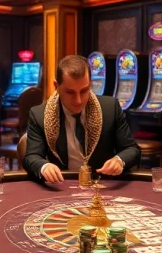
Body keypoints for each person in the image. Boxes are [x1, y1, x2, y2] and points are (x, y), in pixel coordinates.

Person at [23, 54, 141, 183]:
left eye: (84, 91)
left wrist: (119, 160)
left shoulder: (110, 108)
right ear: (56, 86)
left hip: (102, 185)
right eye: (70, 92)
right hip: (63, 186)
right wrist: (44, 166)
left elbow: (132, 149)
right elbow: (32, 157)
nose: (78, 101)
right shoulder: (39, 114)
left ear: (90, 84)